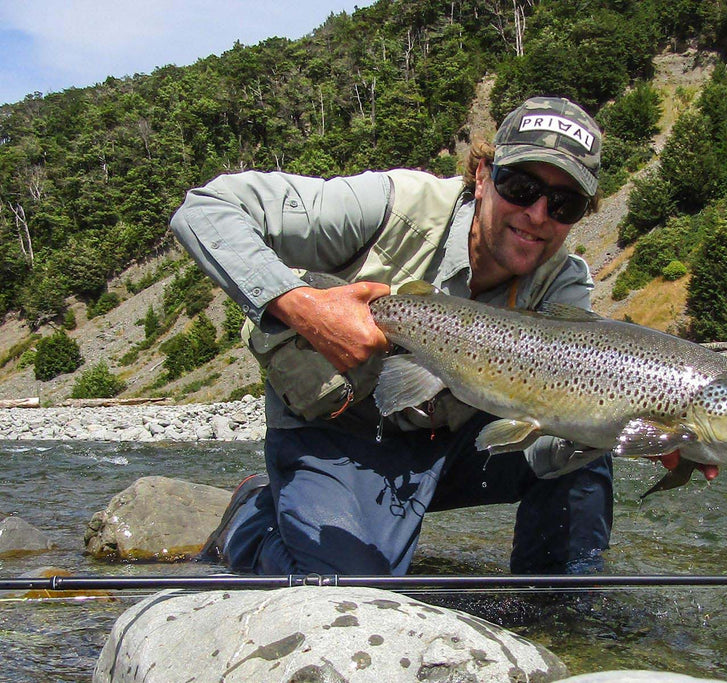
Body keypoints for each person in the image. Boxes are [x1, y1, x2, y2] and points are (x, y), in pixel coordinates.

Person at [171, 96, 675, 577]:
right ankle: (250, 521)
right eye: (520, 187)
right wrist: (304, 308)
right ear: (482, 176)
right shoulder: (392, 205)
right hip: (340, 436)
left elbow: (546, 448)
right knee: (349, 592)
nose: (538, 214)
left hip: (453, 445)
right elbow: (207, 208)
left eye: (563, 203)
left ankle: (554, 613)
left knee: (588, 456)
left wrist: (629, 434)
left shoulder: (564, 287)